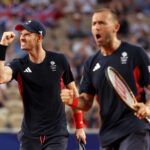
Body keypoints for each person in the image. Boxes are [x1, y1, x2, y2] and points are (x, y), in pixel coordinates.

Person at [61, 8, 150, 150]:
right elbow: (86, 102)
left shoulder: (135, 53)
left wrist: (147, 107)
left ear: (115, 27)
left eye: (102, 23)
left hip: (134, 129)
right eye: (94, 23)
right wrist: (73, 100)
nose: (96, 27)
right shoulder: (91, 63)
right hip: (107, 135)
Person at [0, 20, 86, 150]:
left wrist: (79, 126)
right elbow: (1, 77)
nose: (22, 37)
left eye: (27, 34)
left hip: (56, 134)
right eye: (22, 34)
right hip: (29, 135)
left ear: (39, 37)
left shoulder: (60, 60)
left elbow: (74, 92)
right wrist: (2, 47)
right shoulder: (19, 64)